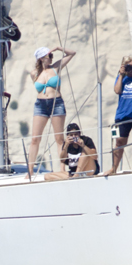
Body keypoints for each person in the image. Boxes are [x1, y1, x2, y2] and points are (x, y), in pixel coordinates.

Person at [26, 45, 76, 178]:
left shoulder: (55, 67)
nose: (51, 58)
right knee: (35, 139)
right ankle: (30, 170)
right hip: (41, 104)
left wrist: (58, 48)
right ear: (41, 58)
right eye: (49, 56)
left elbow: (72, 53)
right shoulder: (34, 73)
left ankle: (62, 168)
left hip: (56, 103)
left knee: (59, 138)